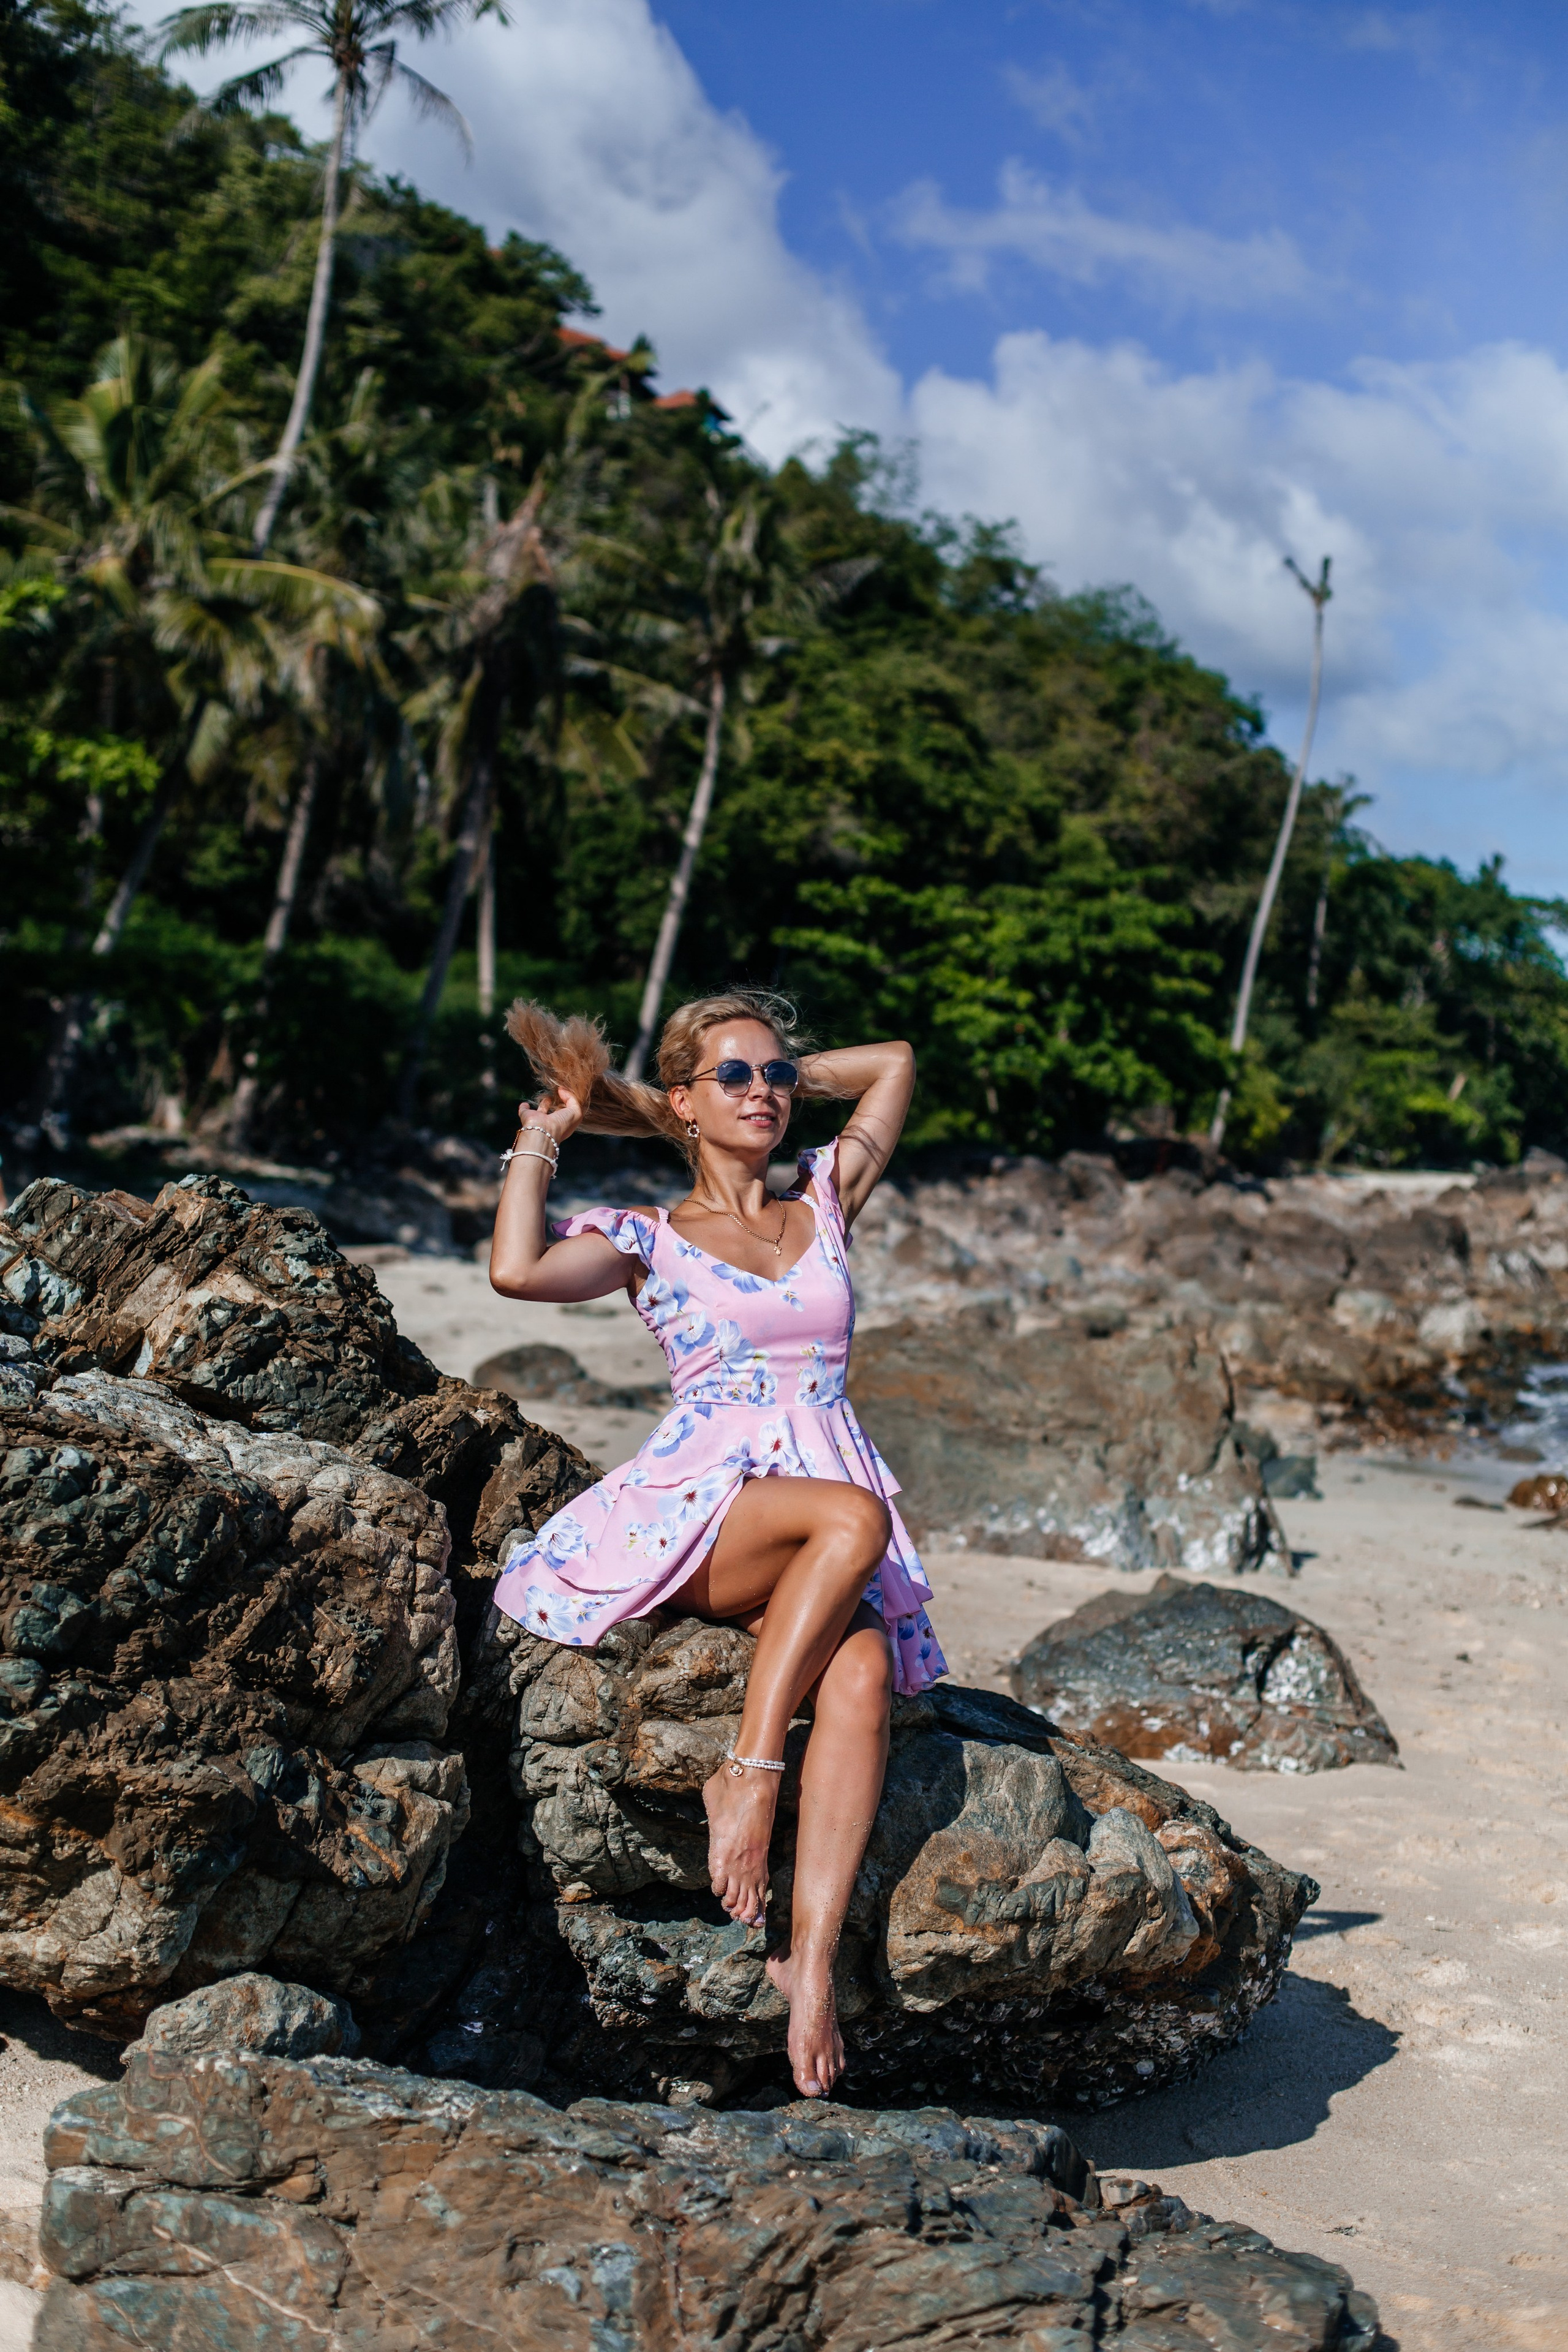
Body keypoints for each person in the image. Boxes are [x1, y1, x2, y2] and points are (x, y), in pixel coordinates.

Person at [488, 990, 946, 2099]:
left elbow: (892, 1060)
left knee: (867, 1668)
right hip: (703, 1513)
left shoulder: (826, 1203)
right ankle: (748, 1775)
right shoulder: (645, 1236)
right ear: (688, 1102)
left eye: (780, 1078)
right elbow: (515, 1272)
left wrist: (709, 1086)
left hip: (811, 1533)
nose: (767, 1094)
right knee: (854, 1516)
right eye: (734, 1078)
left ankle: (812, 1963)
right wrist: (545, 1136)